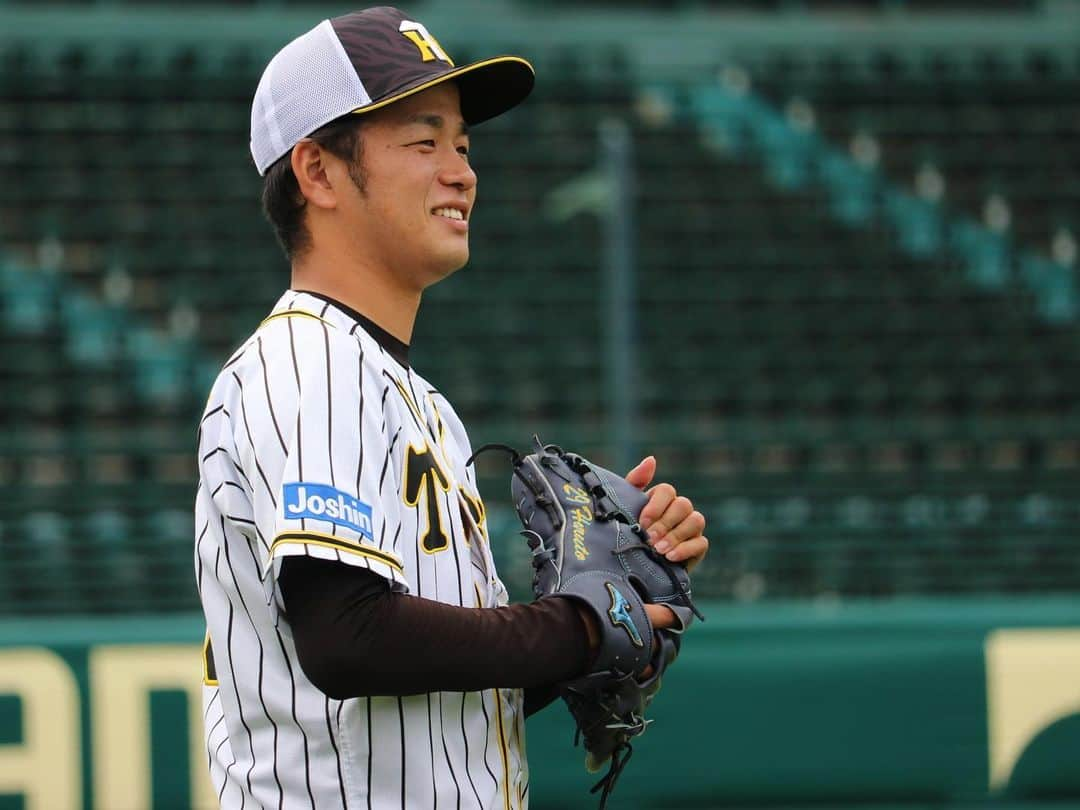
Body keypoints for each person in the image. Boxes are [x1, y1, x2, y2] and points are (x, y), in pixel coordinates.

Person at [195, 7, 709, 808]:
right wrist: (580, 625)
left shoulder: (419, 402)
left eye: (462, 146)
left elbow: (447, 707)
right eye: (423, 142)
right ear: (318, 172)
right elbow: (350, 640)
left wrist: (622, 613)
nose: (461, 171)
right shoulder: (305, 359)